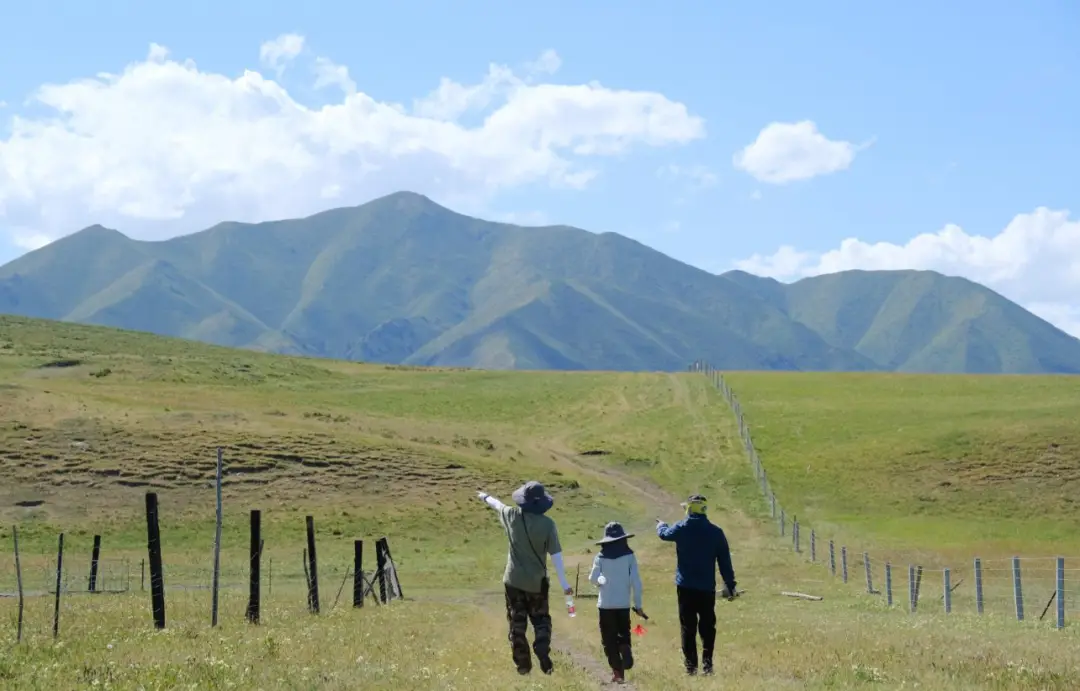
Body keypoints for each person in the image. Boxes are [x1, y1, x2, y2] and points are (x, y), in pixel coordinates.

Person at [476, 481, 574, 676]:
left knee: (516, 623)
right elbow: (556, 556)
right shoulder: (548, 525)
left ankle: (523, 666)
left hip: (513, 580)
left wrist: (484, 496)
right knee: (541, 619)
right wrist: (565, 584)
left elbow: (497, 505)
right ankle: (542, 647)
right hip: (537, 583)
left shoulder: (511, 515)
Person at [655, 494, 738, 676]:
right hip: (706, 588)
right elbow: (725, 561)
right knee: (708, 627)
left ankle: (691, 668)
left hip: (685, 587)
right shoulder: (716, 532)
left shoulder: (681, 528)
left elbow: (664, 534)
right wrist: (730, 584)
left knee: (688, 627)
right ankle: (707, 666)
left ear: (689, 508)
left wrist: (661, 524)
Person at [588, 521, 646, 685]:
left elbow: (593, 579)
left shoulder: (600, 557)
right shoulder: (630, 556)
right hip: (623, 605)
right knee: (623, 635)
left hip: (605, 605)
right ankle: (625, 648)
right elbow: (636, 582)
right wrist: (639, 605)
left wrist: (601, 582)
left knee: (609, 641)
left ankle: (618, 674)